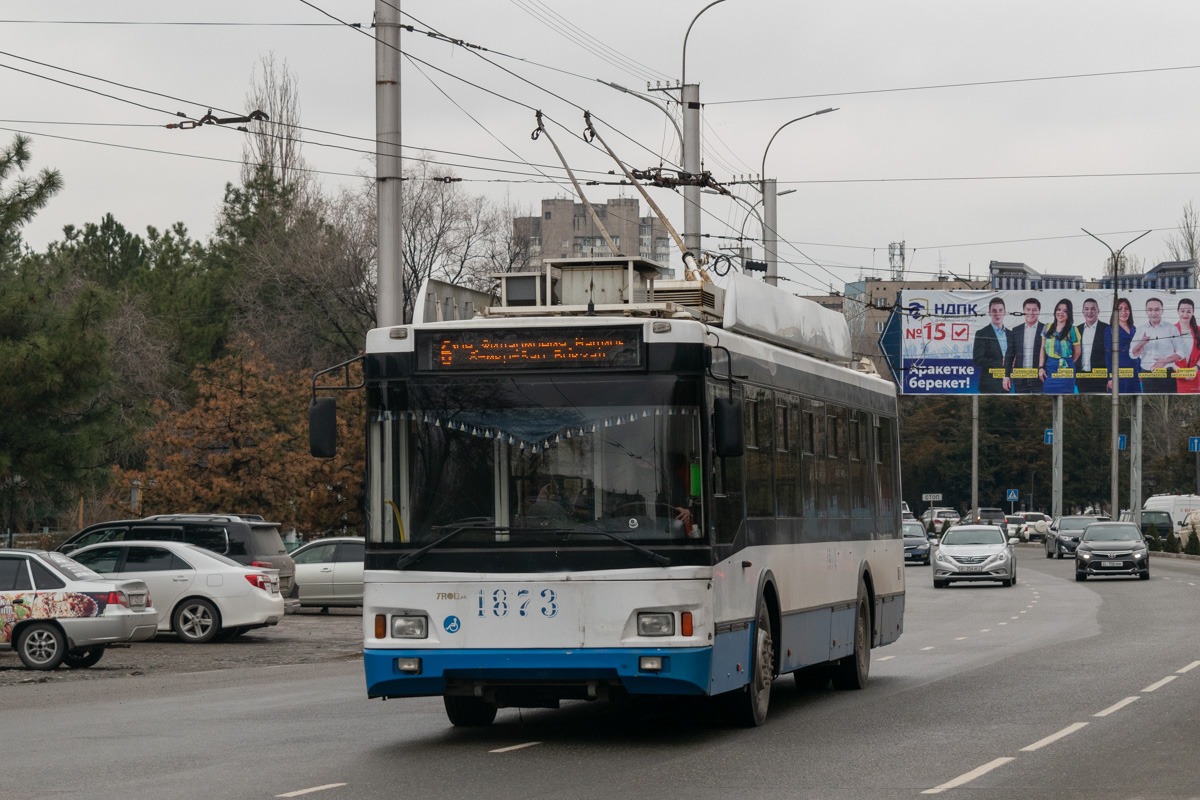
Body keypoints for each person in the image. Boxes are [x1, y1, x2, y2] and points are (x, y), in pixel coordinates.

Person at [1131, 297, 1181, 394]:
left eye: (1157, 309)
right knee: (1148, 402)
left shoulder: (1171, 328)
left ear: (1162, 311)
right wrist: (1142, 343)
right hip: (1147, 374)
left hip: (1167, 373)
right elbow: (1132, 354)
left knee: (1169, 401)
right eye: (1150, 310)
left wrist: (1165, 361)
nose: (1153, 313)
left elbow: (1181, 351)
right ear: (1146, 311)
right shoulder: (1141, 330)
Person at [1039, 299, 1081, 394]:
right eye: (1058, 309)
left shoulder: (1073, 330)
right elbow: (1042, 349)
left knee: (1065, 398)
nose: (1060, 313)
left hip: (1066, 370)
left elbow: (1077, 353)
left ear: (1069, 314)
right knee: (1048, 396)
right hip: (1049, 368)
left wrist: (1066, 363)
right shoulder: (1047, 327)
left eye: (1065, 311)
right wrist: (1041, 367)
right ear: (1055, 311)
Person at [1004, 297, 1044, 394]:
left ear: (1039, 311)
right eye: (1028, 310)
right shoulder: (1016, 330)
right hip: (1020, 378)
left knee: (1042, 405)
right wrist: (1006, 376)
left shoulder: (1046, 329)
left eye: (1034, 310)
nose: (1031, 313)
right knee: (1020, 405)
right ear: (1023, 311)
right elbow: (1010, 354)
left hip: (1039, 378)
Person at [972, 297, 1010, 393]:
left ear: (1005, 312)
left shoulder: (1011, 334)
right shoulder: (982, 333)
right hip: (989, 385)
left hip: (1007, 384)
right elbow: (978, 360)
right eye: (994, 310)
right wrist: (1001, 362)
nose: (997, 313)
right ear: (989, 313)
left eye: (1000, 310)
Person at [1074, 297, 1111, 394]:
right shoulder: (1077, 330)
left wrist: (1110, 378)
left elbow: (1111, 355)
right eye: (1086, 309)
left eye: (1093, 309)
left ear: (1098, 311)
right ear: (1082, 311)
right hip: (1081, 378)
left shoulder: (1106, 329)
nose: (1089, 312)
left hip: (1100, 379)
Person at [1105, 297, 1140, 394]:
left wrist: (1140, 371)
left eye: (1126, 309)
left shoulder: (1134, 329)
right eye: (1120, 309)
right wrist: (1110, 378)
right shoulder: (1110, 330)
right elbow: (1108, 355)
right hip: (1119, 372)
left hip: (1134, 372)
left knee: (1136, 398)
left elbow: (1138, 352)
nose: (1124, 312)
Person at [1175, 298, 1200, 393]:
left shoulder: (1199, 331)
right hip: (1175, 379)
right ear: (1178, 311)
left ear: (1193, 312)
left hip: (1195, 379)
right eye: (1182, 311)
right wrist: (1181, 372)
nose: (1185, 314)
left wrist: (1196, 368)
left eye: (1189, 311)